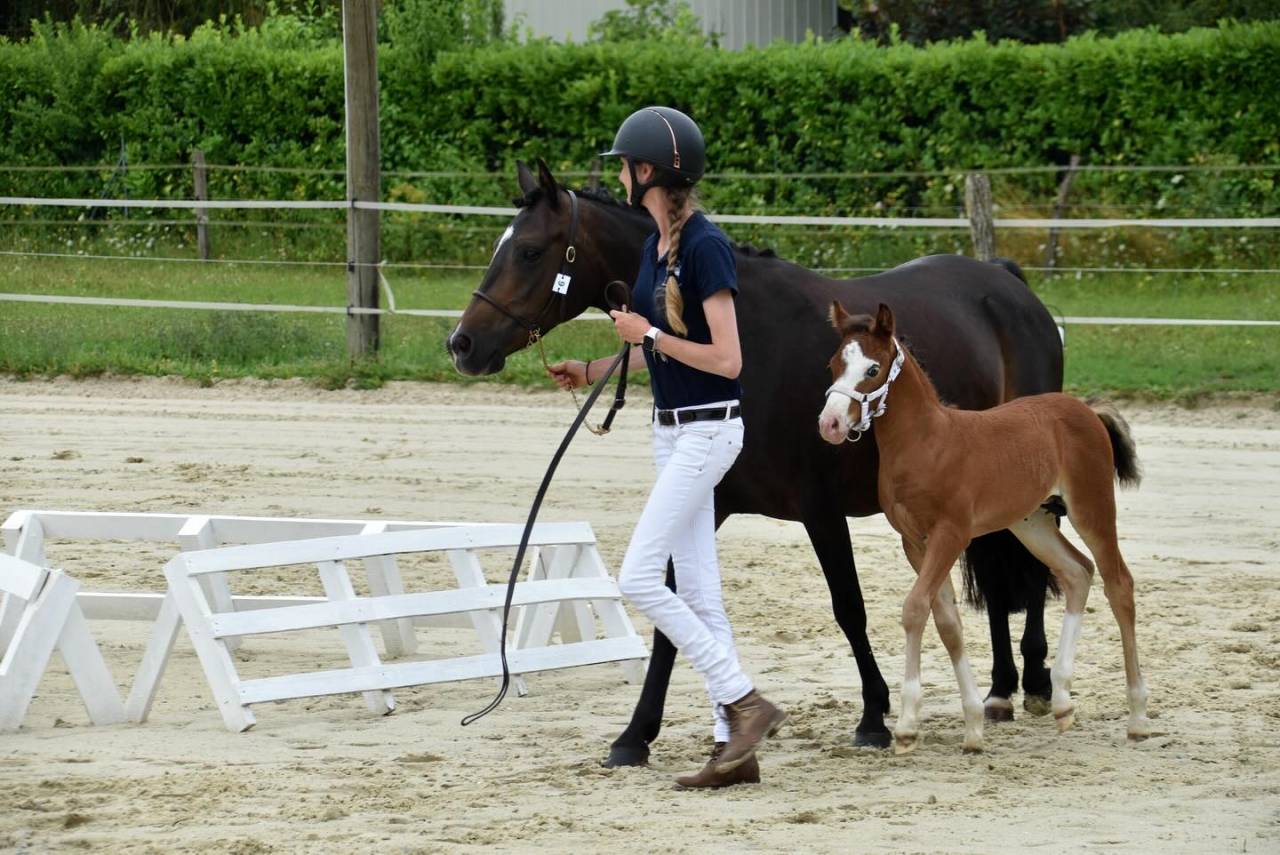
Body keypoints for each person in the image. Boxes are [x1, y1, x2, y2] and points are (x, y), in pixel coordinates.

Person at [548, 106, 786, 788]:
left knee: (639, 578)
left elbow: (727, 358)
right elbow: (653, 351)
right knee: (702, 596)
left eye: (624, 165)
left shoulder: (707, 246)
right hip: (671, 427)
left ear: (646, 172)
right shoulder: (657, 247)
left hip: (709, 428)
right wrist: (594, 369)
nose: (619, 174)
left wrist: (645, 336)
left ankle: (743, 701)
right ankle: (731, 749)